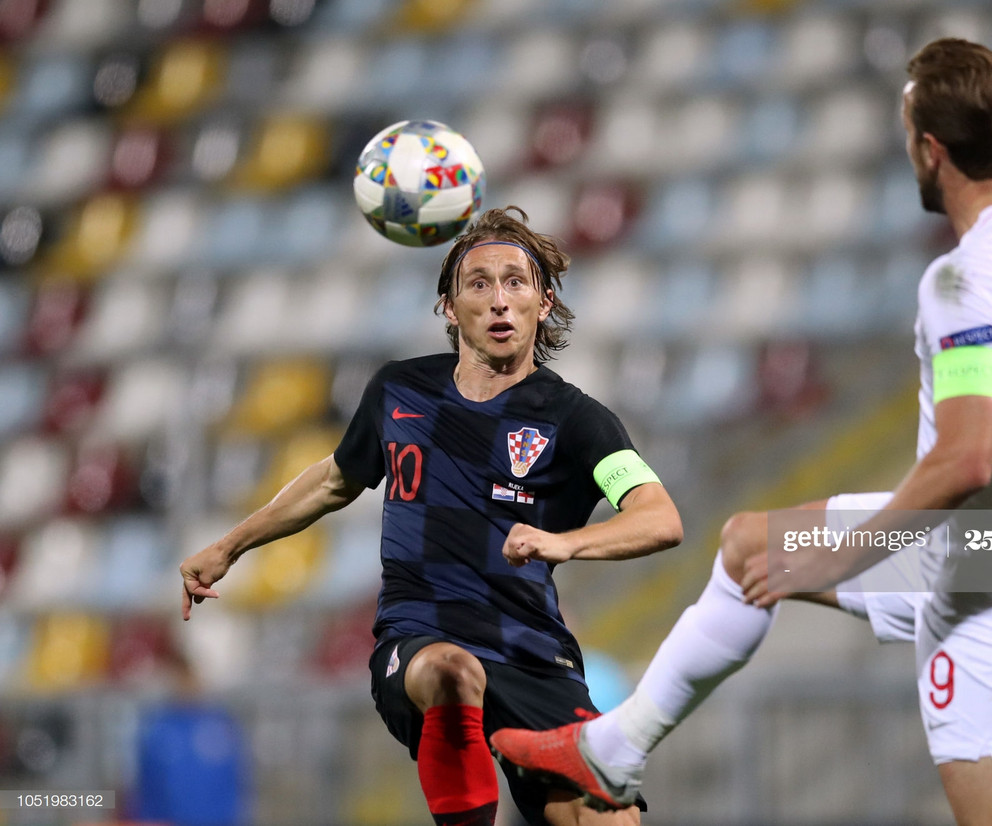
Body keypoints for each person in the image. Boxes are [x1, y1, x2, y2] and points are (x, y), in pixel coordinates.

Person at [490, 38, 992, 825]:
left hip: (989, 579)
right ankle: (615, 749)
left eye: (908, 132)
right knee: (752, 550)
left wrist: (849, 550)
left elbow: (964, 461)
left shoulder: (967, 282)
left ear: (932, 150)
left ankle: (614, 750)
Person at [179, 206, 683, 826]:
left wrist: (566, 543)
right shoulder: (399, 391)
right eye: (479, 283)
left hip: (531, 652)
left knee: (609, 821)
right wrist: (229, 546)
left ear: (543, 303)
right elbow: (337, 479)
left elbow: (659, 518)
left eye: (516, 282)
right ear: (449, 307)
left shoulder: (576, 421)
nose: (499, 300)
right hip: (421, 637)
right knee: (452, 672)